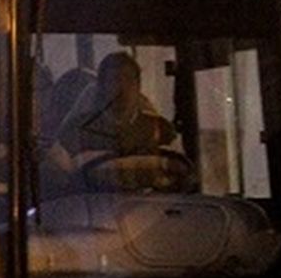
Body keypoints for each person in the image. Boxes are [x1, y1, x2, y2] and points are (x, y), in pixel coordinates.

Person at [47, 51, 181, 187]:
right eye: (114, 79)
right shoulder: (75, 132)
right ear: (101, 87)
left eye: (129, 79)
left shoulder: (161, 130)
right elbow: (60, 185)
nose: (122, 88)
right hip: (92, 205)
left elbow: (179, 175)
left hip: (153, 205)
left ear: (138, 87)